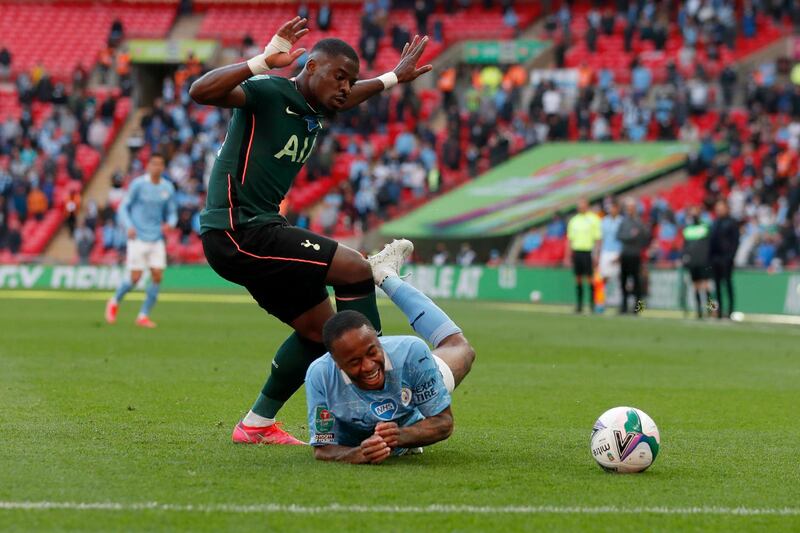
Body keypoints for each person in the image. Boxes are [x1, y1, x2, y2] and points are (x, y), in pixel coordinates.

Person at [188, 17, 433, 445]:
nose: (345, 87)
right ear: (312, 66)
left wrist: (393, 77)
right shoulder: (269, 91)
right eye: (339, 76)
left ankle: (256, 425)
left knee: (320, 334)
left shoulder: (315, 105)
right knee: (356, 270)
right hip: (239, 230)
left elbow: (349, 97)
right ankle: (383, 400)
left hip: (257, 231)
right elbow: (199, 91)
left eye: (349, 80)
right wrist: (261, 61)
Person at [306, 240, 475, 463]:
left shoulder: (410, 353)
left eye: (372, 352)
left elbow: (443, 422)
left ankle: (387, 278)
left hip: (412, 388)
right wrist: (357, 454)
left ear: (379, 341)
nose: (368, 366)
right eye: (354, 361)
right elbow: (323, 450)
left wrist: (400, 436)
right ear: (336, 363)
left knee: (461, 348)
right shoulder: (320, 375)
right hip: (383, 423)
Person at [104, 153, 177, 328]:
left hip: (156, 237)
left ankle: (143, 315)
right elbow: (123, 207)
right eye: (153, 164)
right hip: (138, 237)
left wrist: (171, 223)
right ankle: (114, 301)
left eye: (160, 164)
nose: (156, 167)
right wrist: (128, 226)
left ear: (163, 167)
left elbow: (172, 212)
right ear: (148, 166)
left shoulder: (167, 188)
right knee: (135, 278)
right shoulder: (138, 185)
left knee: (157, 275)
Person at [566, 198, 601, 313]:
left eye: (582, 205)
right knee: (578, 279)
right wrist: (567, 255)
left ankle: (592, 305)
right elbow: (569, 239)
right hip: (577, 252)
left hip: (588, 252)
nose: (580, 207)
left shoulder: (593, 219)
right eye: (579, 205)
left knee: (590, 279)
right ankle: (579, 305)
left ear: (587, 206)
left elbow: (597, 239)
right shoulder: (574, 220)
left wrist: (596, 254)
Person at [617, 197, 650, 314]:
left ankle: (638, 308)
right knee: (623, 281)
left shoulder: (639, 222)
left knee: (637, 282)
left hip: (636, 255)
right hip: (625, 255)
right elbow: (619, 236)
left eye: (632, 208)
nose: (630, 210)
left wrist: (634, 238)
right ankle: (624, 306)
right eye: (628, 208)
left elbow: (644, 238)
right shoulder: (623, 222)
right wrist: (631, 237)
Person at [709, 199, 739, 319]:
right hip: (715, 259)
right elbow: (711, 241)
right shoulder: (715, 222)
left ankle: (730, 310)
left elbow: (735, 241)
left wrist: (730, 256)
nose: (719, 210)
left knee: (727, 284)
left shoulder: (731, 223)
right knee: (717, 286)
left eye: (721, 208)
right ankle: (718, 311)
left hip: (726, 259)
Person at [682, 206, 712, 319]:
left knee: (705, 286)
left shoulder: (705, 227)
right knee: (696, 286)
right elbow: (685, 247)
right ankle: (699, 311)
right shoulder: (688, 229)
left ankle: (709, 310)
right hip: (693, 262)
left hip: (703, 261)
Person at [598, 199, 622, 289]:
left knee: (620, 276)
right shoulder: (604, 221)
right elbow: (601, 238)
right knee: (604, 276)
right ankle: (602, 299)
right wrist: (598, 253)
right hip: (606, 251)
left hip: (617, 251)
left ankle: (623, 300)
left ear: (617, 208)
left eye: (613, 208)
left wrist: (621, 254)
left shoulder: (622, 221)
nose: (612, 210)